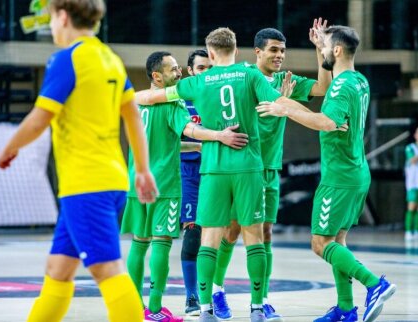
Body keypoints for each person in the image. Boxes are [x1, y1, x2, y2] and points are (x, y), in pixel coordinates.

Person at [136, 27, 328, 322]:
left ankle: (204, 310)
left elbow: (154, 97)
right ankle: (256, 308)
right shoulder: (250, 75)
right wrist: (296, 107)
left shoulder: (198, 81)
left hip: (213, 169)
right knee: (257, 238)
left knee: (209, 238)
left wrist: (122, 97)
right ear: (237, 50)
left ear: (210, 54)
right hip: (249, 167)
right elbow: (276, 103)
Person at [0, 1, 158, 321]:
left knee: (106, 270)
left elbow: (40, 118)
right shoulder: (110, 59)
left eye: (51, 20)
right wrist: (141, 170)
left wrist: (8, 148)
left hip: (86, 185)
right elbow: (133, 117)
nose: (52, 28)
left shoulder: (66, 59)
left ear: (63, 16)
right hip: (108, 181)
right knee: (58, 269)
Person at [256, 25, 396, 322]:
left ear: (337, 51)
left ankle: (374, 284)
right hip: (356, 171)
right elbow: (332, 113)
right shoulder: (359, 81)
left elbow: (327, 122)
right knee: (338, 240)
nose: (320, 50)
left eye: (324, 47)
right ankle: (345, 309)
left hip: (339, 177)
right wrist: (290, 102)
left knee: (321, 243)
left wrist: (286, 110)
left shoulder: (341, 86)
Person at [211, 20, 332, 322]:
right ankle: (216, 290)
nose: (280, 56)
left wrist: (321, 51)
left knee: (266, 232)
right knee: (233, 229)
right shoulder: (245, 76)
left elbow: (324, 88)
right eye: (274, 50)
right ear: (257, 52)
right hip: (242, 166)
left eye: (283, 51)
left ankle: (262, 300)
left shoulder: (286, 79)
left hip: (270, 168)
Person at [122, 51, 248, 322]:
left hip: (136, 181)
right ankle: (154, 310)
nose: (179, 73)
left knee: (138, 244)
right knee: (161, 244)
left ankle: (134, 308)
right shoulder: (173, 104)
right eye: (173, 70)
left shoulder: (138, 103)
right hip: (164, 185)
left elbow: (167, 142)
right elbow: (189, 130)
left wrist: (205, 145)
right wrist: (219, 136)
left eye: (179, 68)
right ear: (157, 76)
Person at [179, 49, 212, 317]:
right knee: (193, 234)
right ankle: (192, 296)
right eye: (201, 68)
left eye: (209, 68)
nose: (206, 72)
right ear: (191, 71)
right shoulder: (179, 100)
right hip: (188, 173)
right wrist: (198, 145)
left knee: (217, 235)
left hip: (216, 172)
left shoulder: (219, 98)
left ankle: (212, 294)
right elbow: (166, 144)